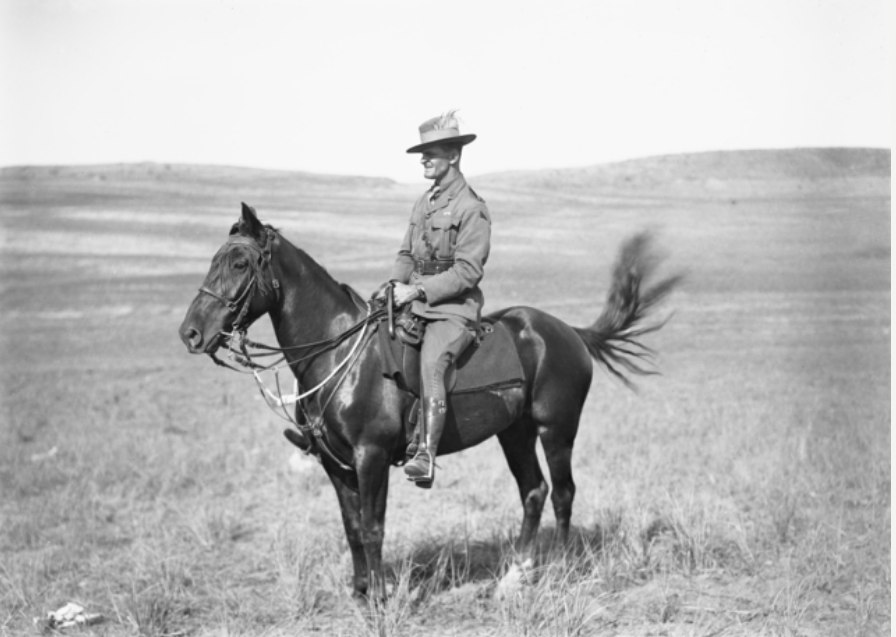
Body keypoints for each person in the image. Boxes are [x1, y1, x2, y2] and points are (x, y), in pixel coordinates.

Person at [388, 110, 491, 488]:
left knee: (433, 364)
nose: (424, 160)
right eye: (423, 153)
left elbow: (468, 272)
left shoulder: (471, 207)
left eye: (431, 153)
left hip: (453, 310)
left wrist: (417, 290)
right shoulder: (423, 203)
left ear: (454, 157)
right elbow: (406, 255)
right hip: (412, 301)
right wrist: (392, 287)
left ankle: (425, 455)